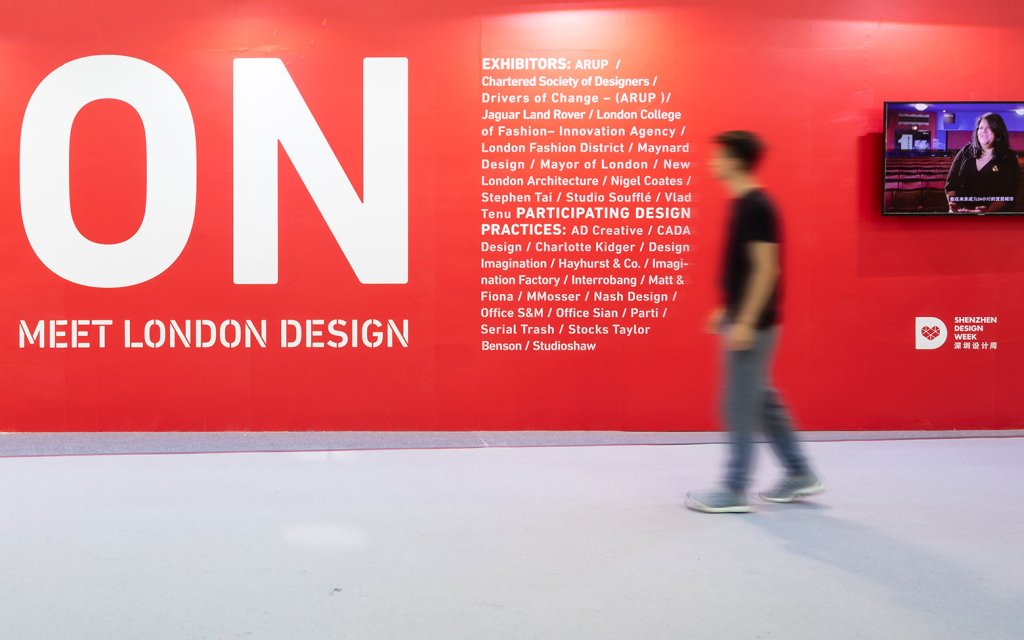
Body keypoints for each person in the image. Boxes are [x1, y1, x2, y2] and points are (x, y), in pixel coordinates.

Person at [686, 131, 823, 514]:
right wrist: (728, 307)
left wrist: (745, 321)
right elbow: (744, 269)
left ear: (734, 161)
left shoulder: (758, 206)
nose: (712, 162)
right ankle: (799, 473)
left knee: (738, 406)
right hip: (746, 318)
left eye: (718, 156)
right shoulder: (743, 204)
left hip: (756, 324)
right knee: (761, 401)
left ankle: (734, 489)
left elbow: (766, 269)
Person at [945, 113, 1021, 213]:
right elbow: (951, 183)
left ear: (998, 131)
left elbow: (1009, 192)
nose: (983, 131)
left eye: (988, 128)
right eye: (980, 128)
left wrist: (988, 211)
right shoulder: (966, 151)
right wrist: (952, 204)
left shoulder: (1009, 157)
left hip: (992, 216)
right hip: (961, 212)